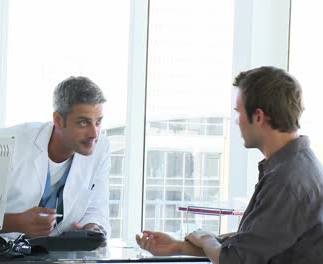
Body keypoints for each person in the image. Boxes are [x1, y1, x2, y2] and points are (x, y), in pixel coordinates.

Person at [136, 66, 323, 263]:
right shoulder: (295, 168)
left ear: (258, 117)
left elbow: (234, 260)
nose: (237, 121)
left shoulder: (287, 181)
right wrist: (179, 246)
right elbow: (254, 244)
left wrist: (206, 238)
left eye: (239, 112)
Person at [1, 76, 111, 238]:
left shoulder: (101, 147)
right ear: (58, 120)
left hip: (59, 254)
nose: (94, 134)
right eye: (83, 123)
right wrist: (17, 222)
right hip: (1, 251)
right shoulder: (11, 144)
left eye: (98, 122)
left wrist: (91, 227)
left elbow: (96, 208)